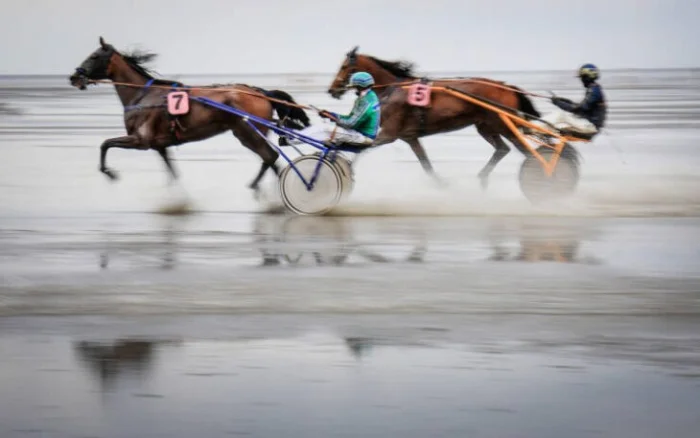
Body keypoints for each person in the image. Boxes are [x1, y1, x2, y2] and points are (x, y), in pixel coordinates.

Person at [281, 71, 380, 147]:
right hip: (359, 133)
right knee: (323, 129)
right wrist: (331, 114)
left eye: (355, 87)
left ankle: (291, 139)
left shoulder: (366, 102)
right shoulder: (368, 97)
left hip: (363, 137)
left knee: (324, 129)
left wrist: (332, 117)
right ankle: (294, 137)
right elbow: (350, 118)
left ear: (360, 86)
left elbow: (350, 123)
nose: (353, 89)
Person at [538, 63, 607, 137]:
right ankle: (541, 132)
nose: (581, 80)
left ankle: (536, 127)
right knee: (560, 123)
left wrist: (558, 103)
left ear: (587, 77)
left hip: (590, 127)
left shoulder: (594, 91)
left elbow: (578, 109)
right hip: (589, 125)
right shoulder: (594, 89)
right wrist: (564, 101)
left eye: (582, 77)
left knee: (561, 115)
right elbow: (582, 107)